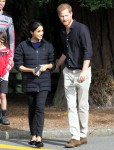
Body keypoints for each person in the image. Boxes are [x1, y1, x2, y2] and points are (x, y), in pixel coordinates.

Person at [56, 3, 93, 148]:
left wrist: (84, 71)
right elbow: (66, 52)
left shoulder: (82, 29)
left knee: (82, 105)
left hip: (82, 71)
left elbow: (88, 51)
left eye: (66, 15)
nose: (64, 18)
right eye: (61, 16)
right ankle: (75, 137)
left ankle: (83, 134)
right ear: (59, 17)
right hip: (68, 72)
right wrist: (57, 65)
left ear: (71, 14)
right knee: (71, 106)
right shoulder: (62, 32)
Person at [14, 20, 55, 148]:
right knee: (32, 108)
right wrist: (31, 70)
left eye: (42, 31)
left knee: (39, 108)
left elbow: (53, 64)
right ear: (32, 32)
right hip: (29, 81)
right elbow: (18, 65)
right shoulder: (22, 46)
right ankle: (33, 135)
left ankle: (39, 136)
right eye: (38, 31)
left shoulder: (48, 46)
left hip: (44, 82)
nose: (41, 33)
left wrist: (45, 66)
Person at [0, 0, 15, 124]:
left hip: (4, 56)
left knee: (2, 93)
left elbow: (11, 39)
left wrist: (12, 57)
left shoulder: (8, 19)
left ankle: (3, 115)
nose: (1, 3)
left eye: (3, 1)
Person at [0, 31, 13, 125]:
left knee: (3, 95)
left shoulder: (8, 51)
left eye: (2, 40)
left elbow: (9, 63)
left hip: (4, 77)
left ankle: (4, 116)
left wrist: (3, 74)